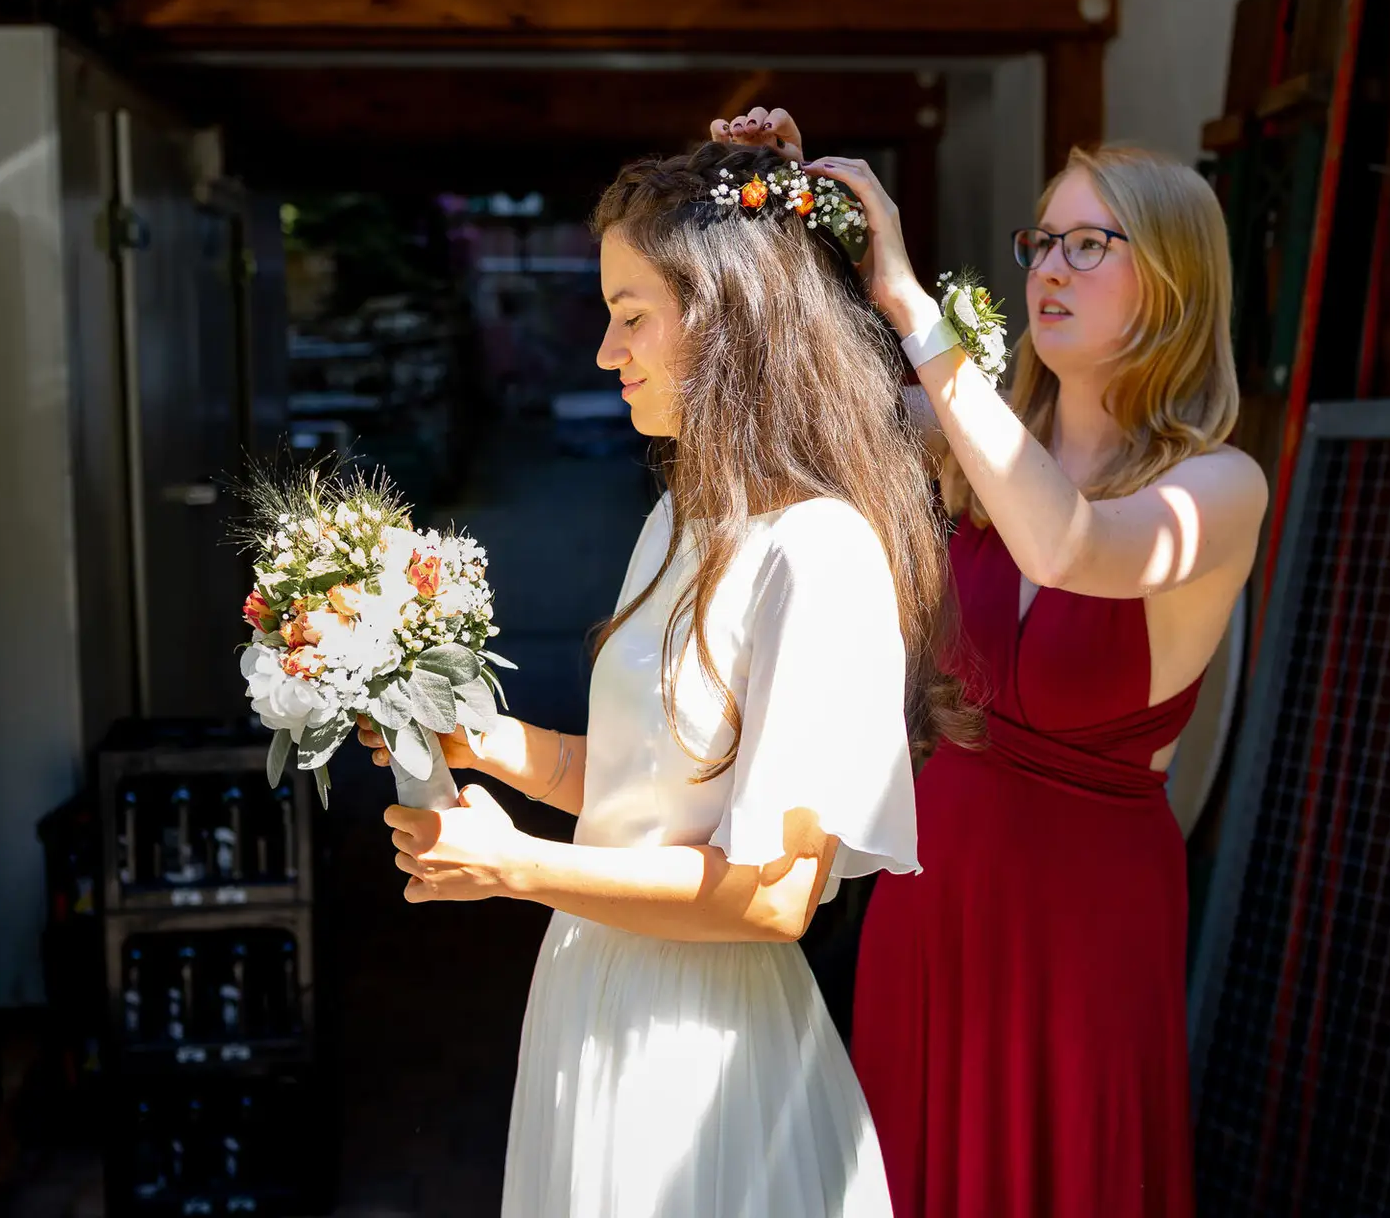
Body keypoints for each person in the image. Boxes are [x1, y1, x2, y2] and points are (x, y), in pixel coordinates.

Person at [363, 139, 975, 1218]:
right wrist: (490, 743)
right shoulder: (680, 519)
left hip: (704, 1054)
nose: (606, 350)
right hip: (593, 1004)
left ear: (727, 315)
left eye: (631, 313)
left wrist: (513, 864)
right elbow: (654, 794)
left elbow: (774, 894)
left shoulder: (819, 550)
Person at [715, 107, 1265, 1215]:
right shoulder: (972, 442)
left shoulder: (1220, 488)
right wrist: (782, 211)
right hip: (935, 895)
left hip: (1084, 923)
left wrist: (917, 304)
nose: (1048, 268)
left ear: (1173, 280)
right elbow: (797, 397)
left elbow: (1066, 542)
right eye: (1041, 242)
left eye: (1088, 243)